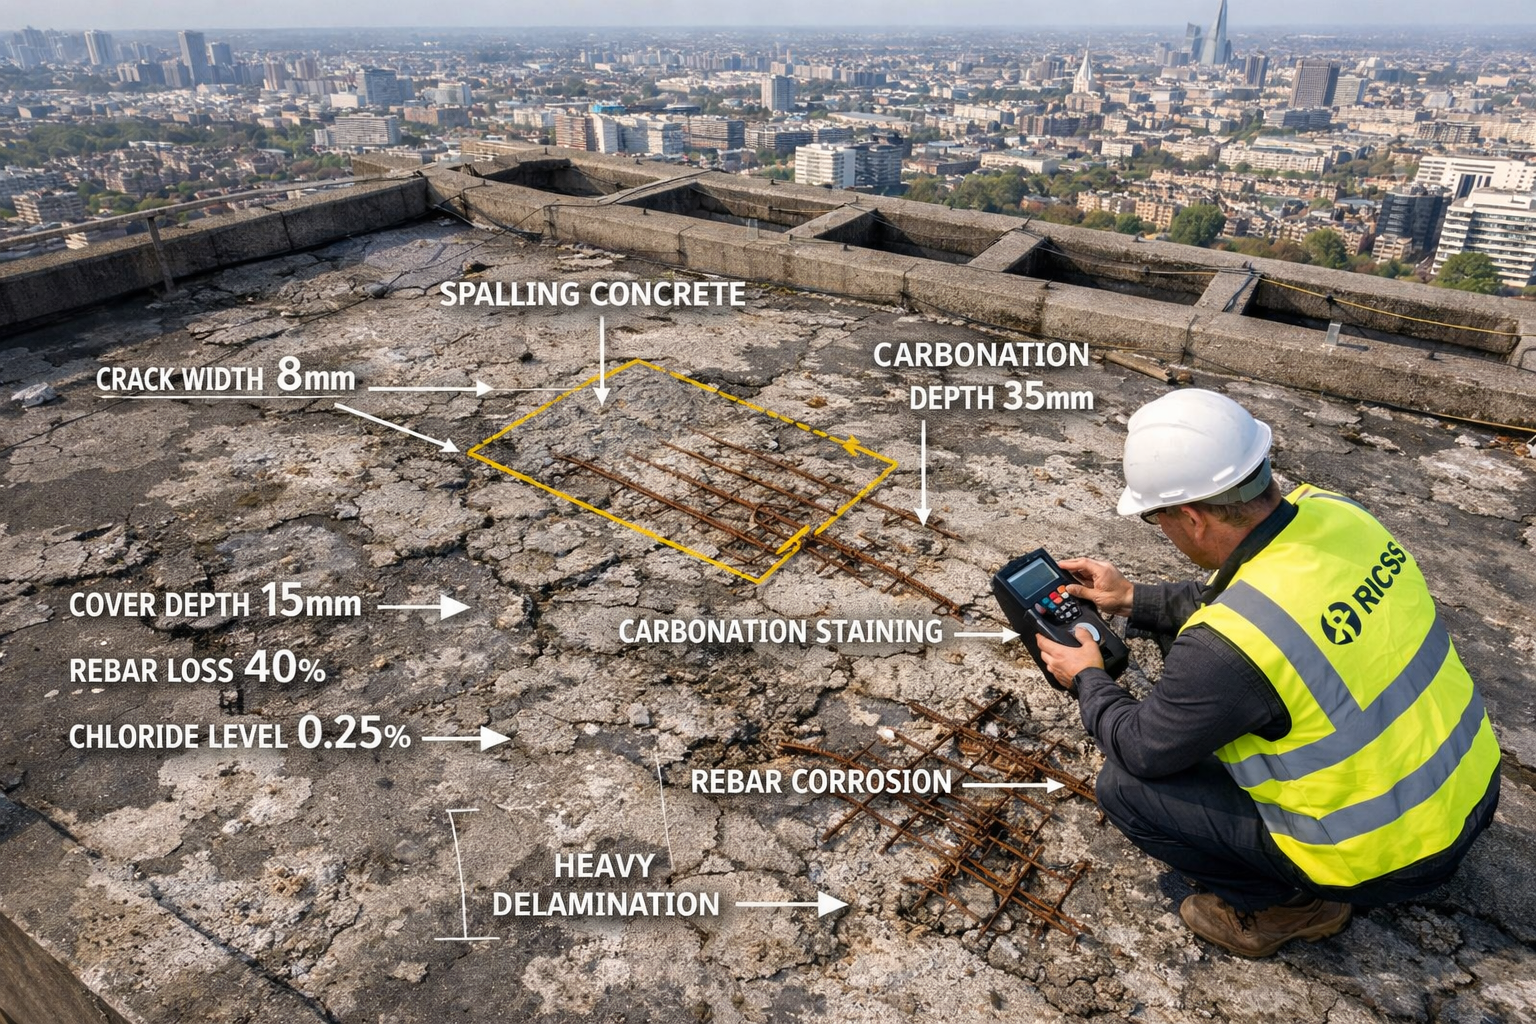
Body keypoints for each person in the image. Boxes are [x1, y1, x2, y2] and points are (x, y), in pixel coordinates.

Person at [1035, 388, 1501, 958]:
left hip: (1387, 858)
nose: (1163, 531)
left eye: (1157, 519)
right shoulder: (1339, 517)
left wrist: (1087, 677)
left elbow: (1142, 747)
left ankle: (1293, 908)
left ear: (1191, 517)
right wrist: (1133, 597)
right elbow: (1255, 592)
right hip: (1471, 788)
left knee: (1126, 788)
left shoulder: (1228, 649)